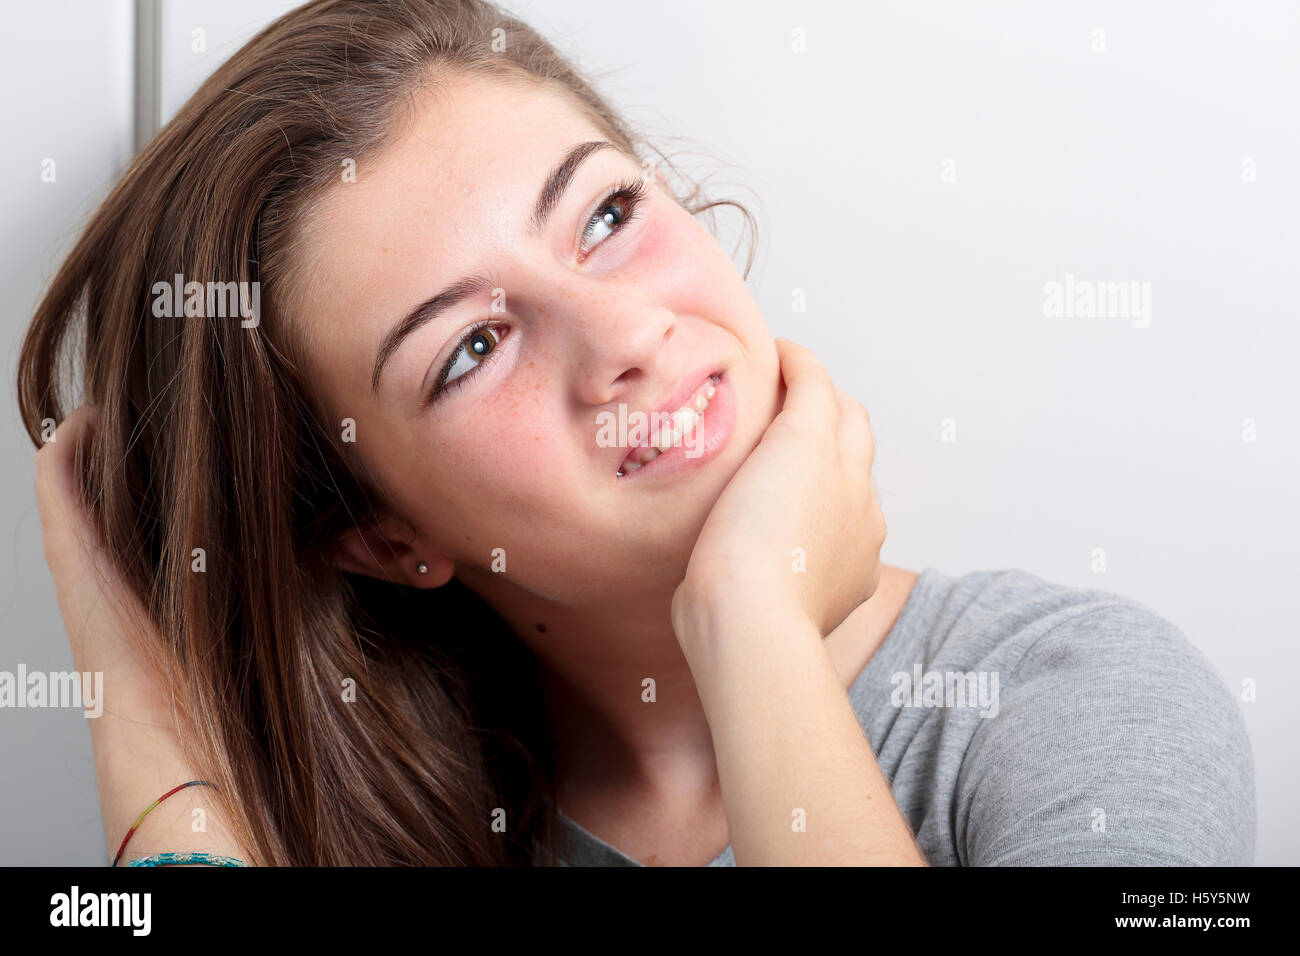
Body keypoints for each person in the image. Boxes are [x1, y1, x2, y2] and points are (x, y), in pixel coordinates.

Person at [20, 0, 1254, 867]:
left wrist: (752, 621)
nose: (620, 332)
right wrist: (129, 673)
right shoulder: (392, 825)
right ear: (386, 536)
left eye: (606, 212)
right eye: (471, 347)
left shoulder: (1077, 701)